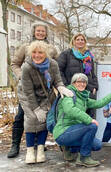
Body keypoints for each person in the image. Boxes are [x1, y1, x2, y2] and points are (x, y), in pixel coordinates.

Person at [8, 22, 59, 158]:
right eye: (38, 31)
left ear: (46, 33)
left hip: (43, 90)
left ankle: (39, 145)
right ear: (34, 32)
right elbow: (14, 64)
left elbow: (56, 67)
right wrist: (21, 76)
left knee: (42, 116)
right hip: (27, 89)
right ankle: (15, 145)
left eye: (43, 31)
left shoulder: (52, 49)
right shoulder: (25, 47)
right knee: (21, 116)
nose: (40, 33)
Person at [18, 41, 73, 164]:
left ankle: (41, 149)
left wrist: (61, 87)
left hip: (45, 95)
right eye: (34, 52)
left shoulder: (53, 64)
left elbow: (57, 80)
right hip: (27, 95)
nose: (37, 55)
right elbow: (28, 91)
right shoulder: (27, 67)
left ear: (46, 53)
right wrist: (36, 108)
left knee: (45, 118)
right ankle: (30, 151)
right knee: (32, 118)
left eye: (40, 52)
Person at [53, 73, 111, 167]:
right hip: (63, 132)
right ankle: (83, 157)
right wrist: (89, 119)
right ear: (73, 83)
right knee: (91, 126)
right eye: (79, 81)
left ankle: (69, 148)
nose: (82, 84)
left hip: (75, 131)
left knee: (96, 145)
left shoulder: (83, 98)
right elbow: (70, 110)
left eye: (84, 82)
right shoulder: (68, 95)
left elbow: (98, 104)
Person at [57, 33, 98, 119]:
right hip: (72, 91)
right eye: (78, 39)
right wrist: (65, 86)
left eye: (82, 40)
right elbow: (58, 71)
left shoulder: (88, 56)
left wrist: (95, 87)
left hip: (87, 91)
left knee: (89, 118)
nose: (80, 41)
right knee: (74, 117)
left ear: (85, 42)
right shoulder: (66, 54)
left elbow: (92, 73)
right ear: (73, 41)